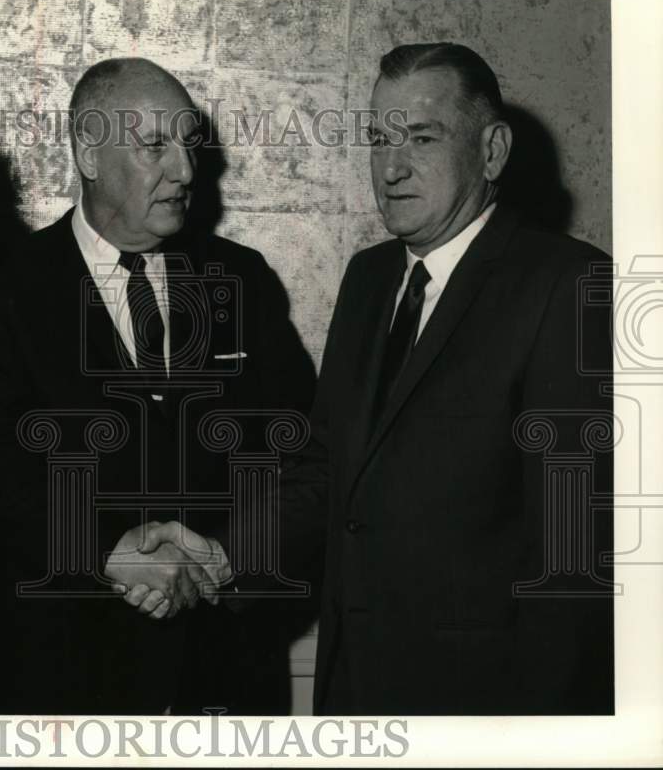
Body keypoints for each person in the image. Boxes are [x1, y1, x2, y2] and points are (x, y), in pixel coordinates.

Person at [144, 42, 614, 715]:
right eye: (378, 138)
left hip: (481, 715)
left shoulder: (567, 286)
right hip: (354, 696)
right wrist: (223, 556)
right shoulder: (369, 280)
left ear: (493, 151)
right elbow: (328, 470)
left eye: (421, 138)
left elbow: (577, 567)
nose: (391, 167)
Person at [0, 56, 315, 714]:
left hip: (224, 676)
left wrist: (222, 556)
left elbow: (302, 455)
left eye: (188, 143)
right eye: (156, 145)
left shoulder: (243, 278)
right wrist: (103, 555)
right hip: (66, 682)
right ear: (89, 156)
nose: (184, 171)